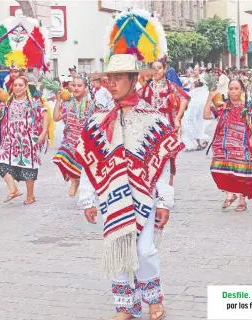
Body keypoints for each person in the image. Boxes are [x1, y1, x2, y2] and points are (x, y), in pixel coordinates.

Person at [76, 10, 184, 319]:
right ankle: (126, 305)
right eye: (108, 78)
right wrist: (87, 197)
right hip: (111, 196)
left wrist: (164, 200)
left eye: (118, 77)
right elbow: (88, 161)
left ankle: (153, 297)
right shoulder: (97, 121)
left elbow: (163, 163)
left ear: (134, 80)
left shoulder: (152, 118)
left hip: (144, 197)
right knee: (117, 245)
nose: (111, 83)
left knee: (144, 249)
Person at [0, 76, 50, 205]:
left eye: (20, 85)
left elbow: (45, 115)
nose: (17, 87)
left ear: (26, 87)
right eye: (15, 85)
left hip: (28, 139)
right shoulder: (7, 103)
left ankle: (31, 196)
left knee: (29, 167)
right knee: (1, 163)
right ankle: (13, 189)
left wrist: (44, 133)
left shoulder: (33, 102)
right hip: (10, 140)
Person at [205, 79, 252, 211]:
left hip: (242, 144)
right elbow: (206, 116)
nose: (233, 91)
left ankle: (242, 200)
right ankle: (230, 194)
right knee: (218, 170)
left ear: (242, 90)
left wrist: (251, 138)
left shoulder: (248, 106)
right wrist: (209, 99)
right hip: (222, 144)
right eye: (231, 89)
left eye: (236, 88)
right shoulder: (222, 105)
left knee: (241, 173)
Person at [138, 59, 190, 185]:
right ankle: (152, 184)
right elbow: (135, 99)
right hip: (151, 128)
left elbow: (184, 98)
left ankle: (168, 187)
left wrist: (177, 118)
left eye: (159, 68)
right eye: (154, 68)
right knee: (150, 156)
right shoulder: (146, 88)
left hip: (167, 126)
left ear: (164, 70)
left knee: (168, 156)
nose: (156, 71)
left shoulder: (170, 86)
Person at [53, 76, 97, 197]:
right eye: (74, 85)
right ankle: (74, 181)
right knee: (61, 157)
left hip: (84, 141)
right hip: (69, 139)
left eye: (79, 85)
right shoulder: (66, 103)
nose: (76, 88)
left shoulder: (91, 104)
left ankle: (81, 186)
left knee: (84, 167)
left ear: (85, 88)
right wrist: (58, 101)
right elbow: (56, 118)